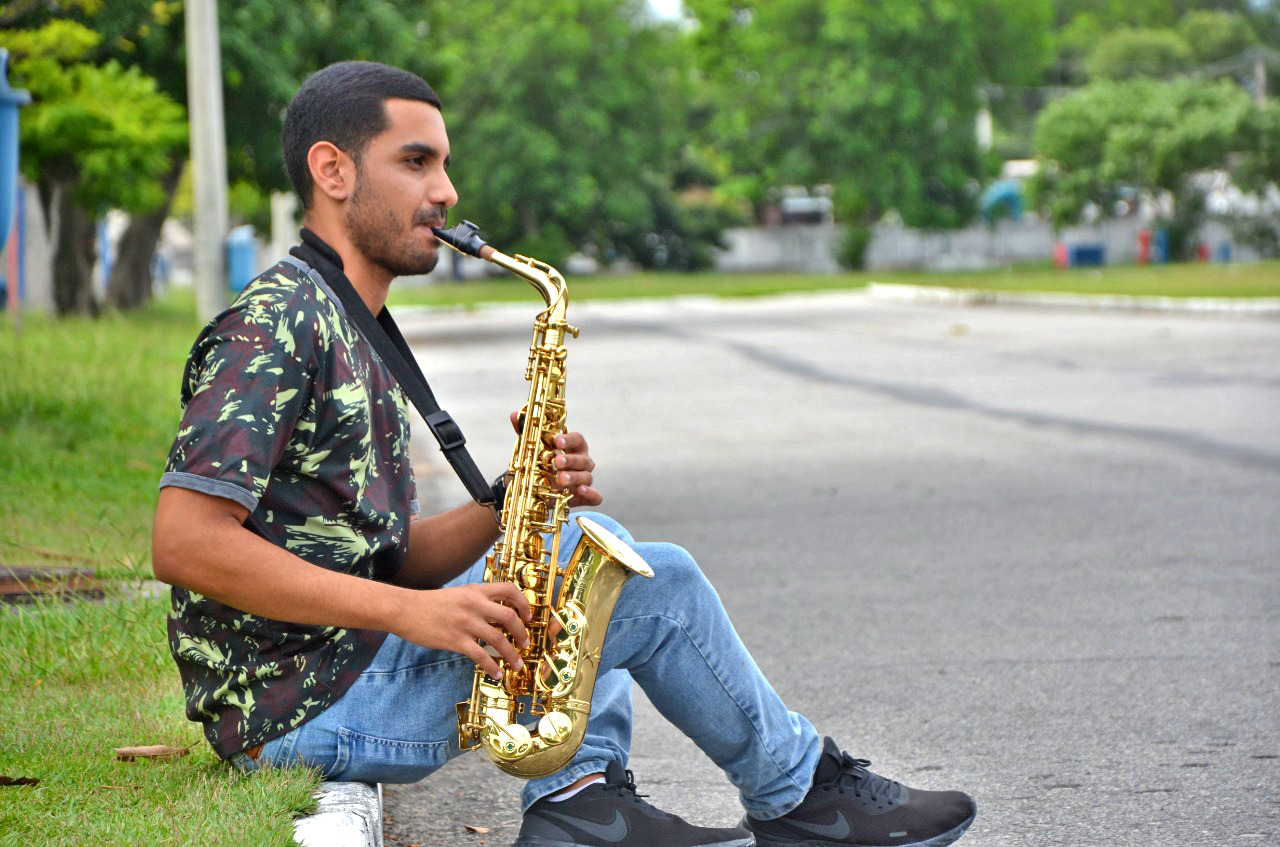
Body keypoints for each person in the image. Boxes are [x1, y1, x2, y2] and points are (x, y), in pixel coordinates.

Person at [152, 60, 977, 847]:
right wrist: (415, 615)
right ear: (332, 171)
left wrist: (515, 501)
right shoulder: (276, 324)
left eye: (444, 164)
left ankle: (581, 802)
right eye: (416, 162)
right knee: (667, 585)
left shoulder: (353, 325)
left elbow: (391, 562)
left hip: (338, 669)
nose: (446, 190)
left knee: (575, 553)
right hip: (298, 708)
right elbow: (185, 542)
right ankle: (799, 795)